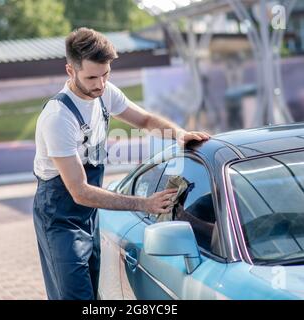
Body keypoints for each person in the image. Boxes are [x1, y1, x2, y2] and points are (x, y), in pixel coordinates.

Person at [32, 27, 210, 300]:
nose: (100, 85)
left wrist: (179, 134)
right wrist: (143, 203)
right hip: (59, 215)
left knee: (93, 291)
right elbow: (79, 191)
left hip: (89, 212)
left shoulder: (104, 92)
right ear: (70, 71)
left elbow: (147, 121)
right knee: (75, 296)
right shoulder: (58, 117)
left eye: (106, 75)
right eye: (92, 77)